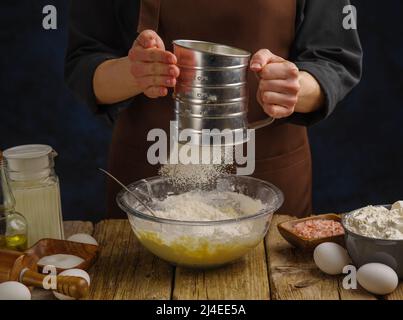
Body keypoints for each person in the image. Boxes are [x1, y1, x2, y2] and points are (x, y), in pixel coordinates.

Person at [65, 0, 362, 218]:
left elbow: (334, 59)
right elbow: (84, 61)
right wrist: (133, 72)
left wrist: (293, 87)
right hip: (148, 178)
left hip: (269, 174)